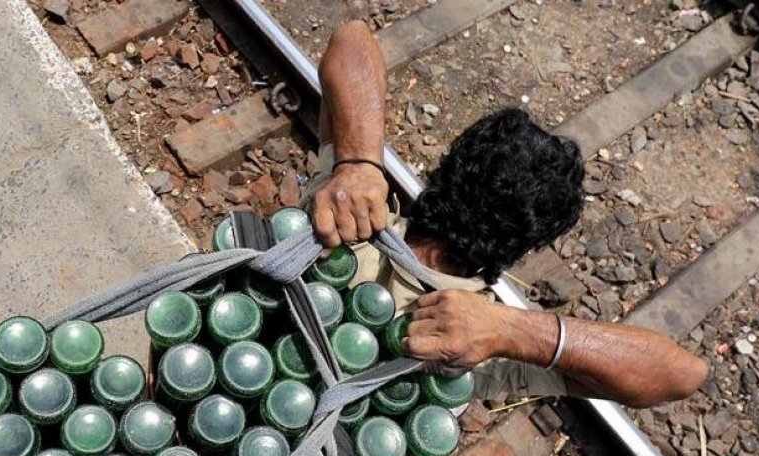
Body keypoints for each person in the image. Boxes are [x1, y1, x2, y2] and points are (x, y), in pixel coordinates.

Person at [298, 21, 709, 408]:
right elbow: (683, 374)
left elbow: (352, 38)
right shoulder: (477, 344)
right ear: (522, 247)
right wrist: (512, 331)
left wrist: (358, 164)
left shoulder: (344, 219)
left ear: (445, 170)